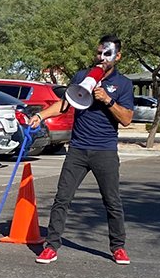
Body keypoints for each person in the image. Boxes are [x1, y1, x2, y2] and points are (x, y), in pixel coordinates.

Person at [31, 35, 135, 265]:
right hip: (78, 149)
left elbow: (127, 118)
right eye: (99, 53)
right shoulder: (81, 76)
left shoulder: (124, 84)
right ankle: (51, 247)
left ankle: (118, 247)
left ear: (117, 56)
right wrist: (40, 115)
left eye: (107, 54)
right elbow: (65, 104)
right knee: (62, 198)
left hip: (105, 151)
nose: (101, 58)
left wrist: (107, 100)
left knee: (112, 201)